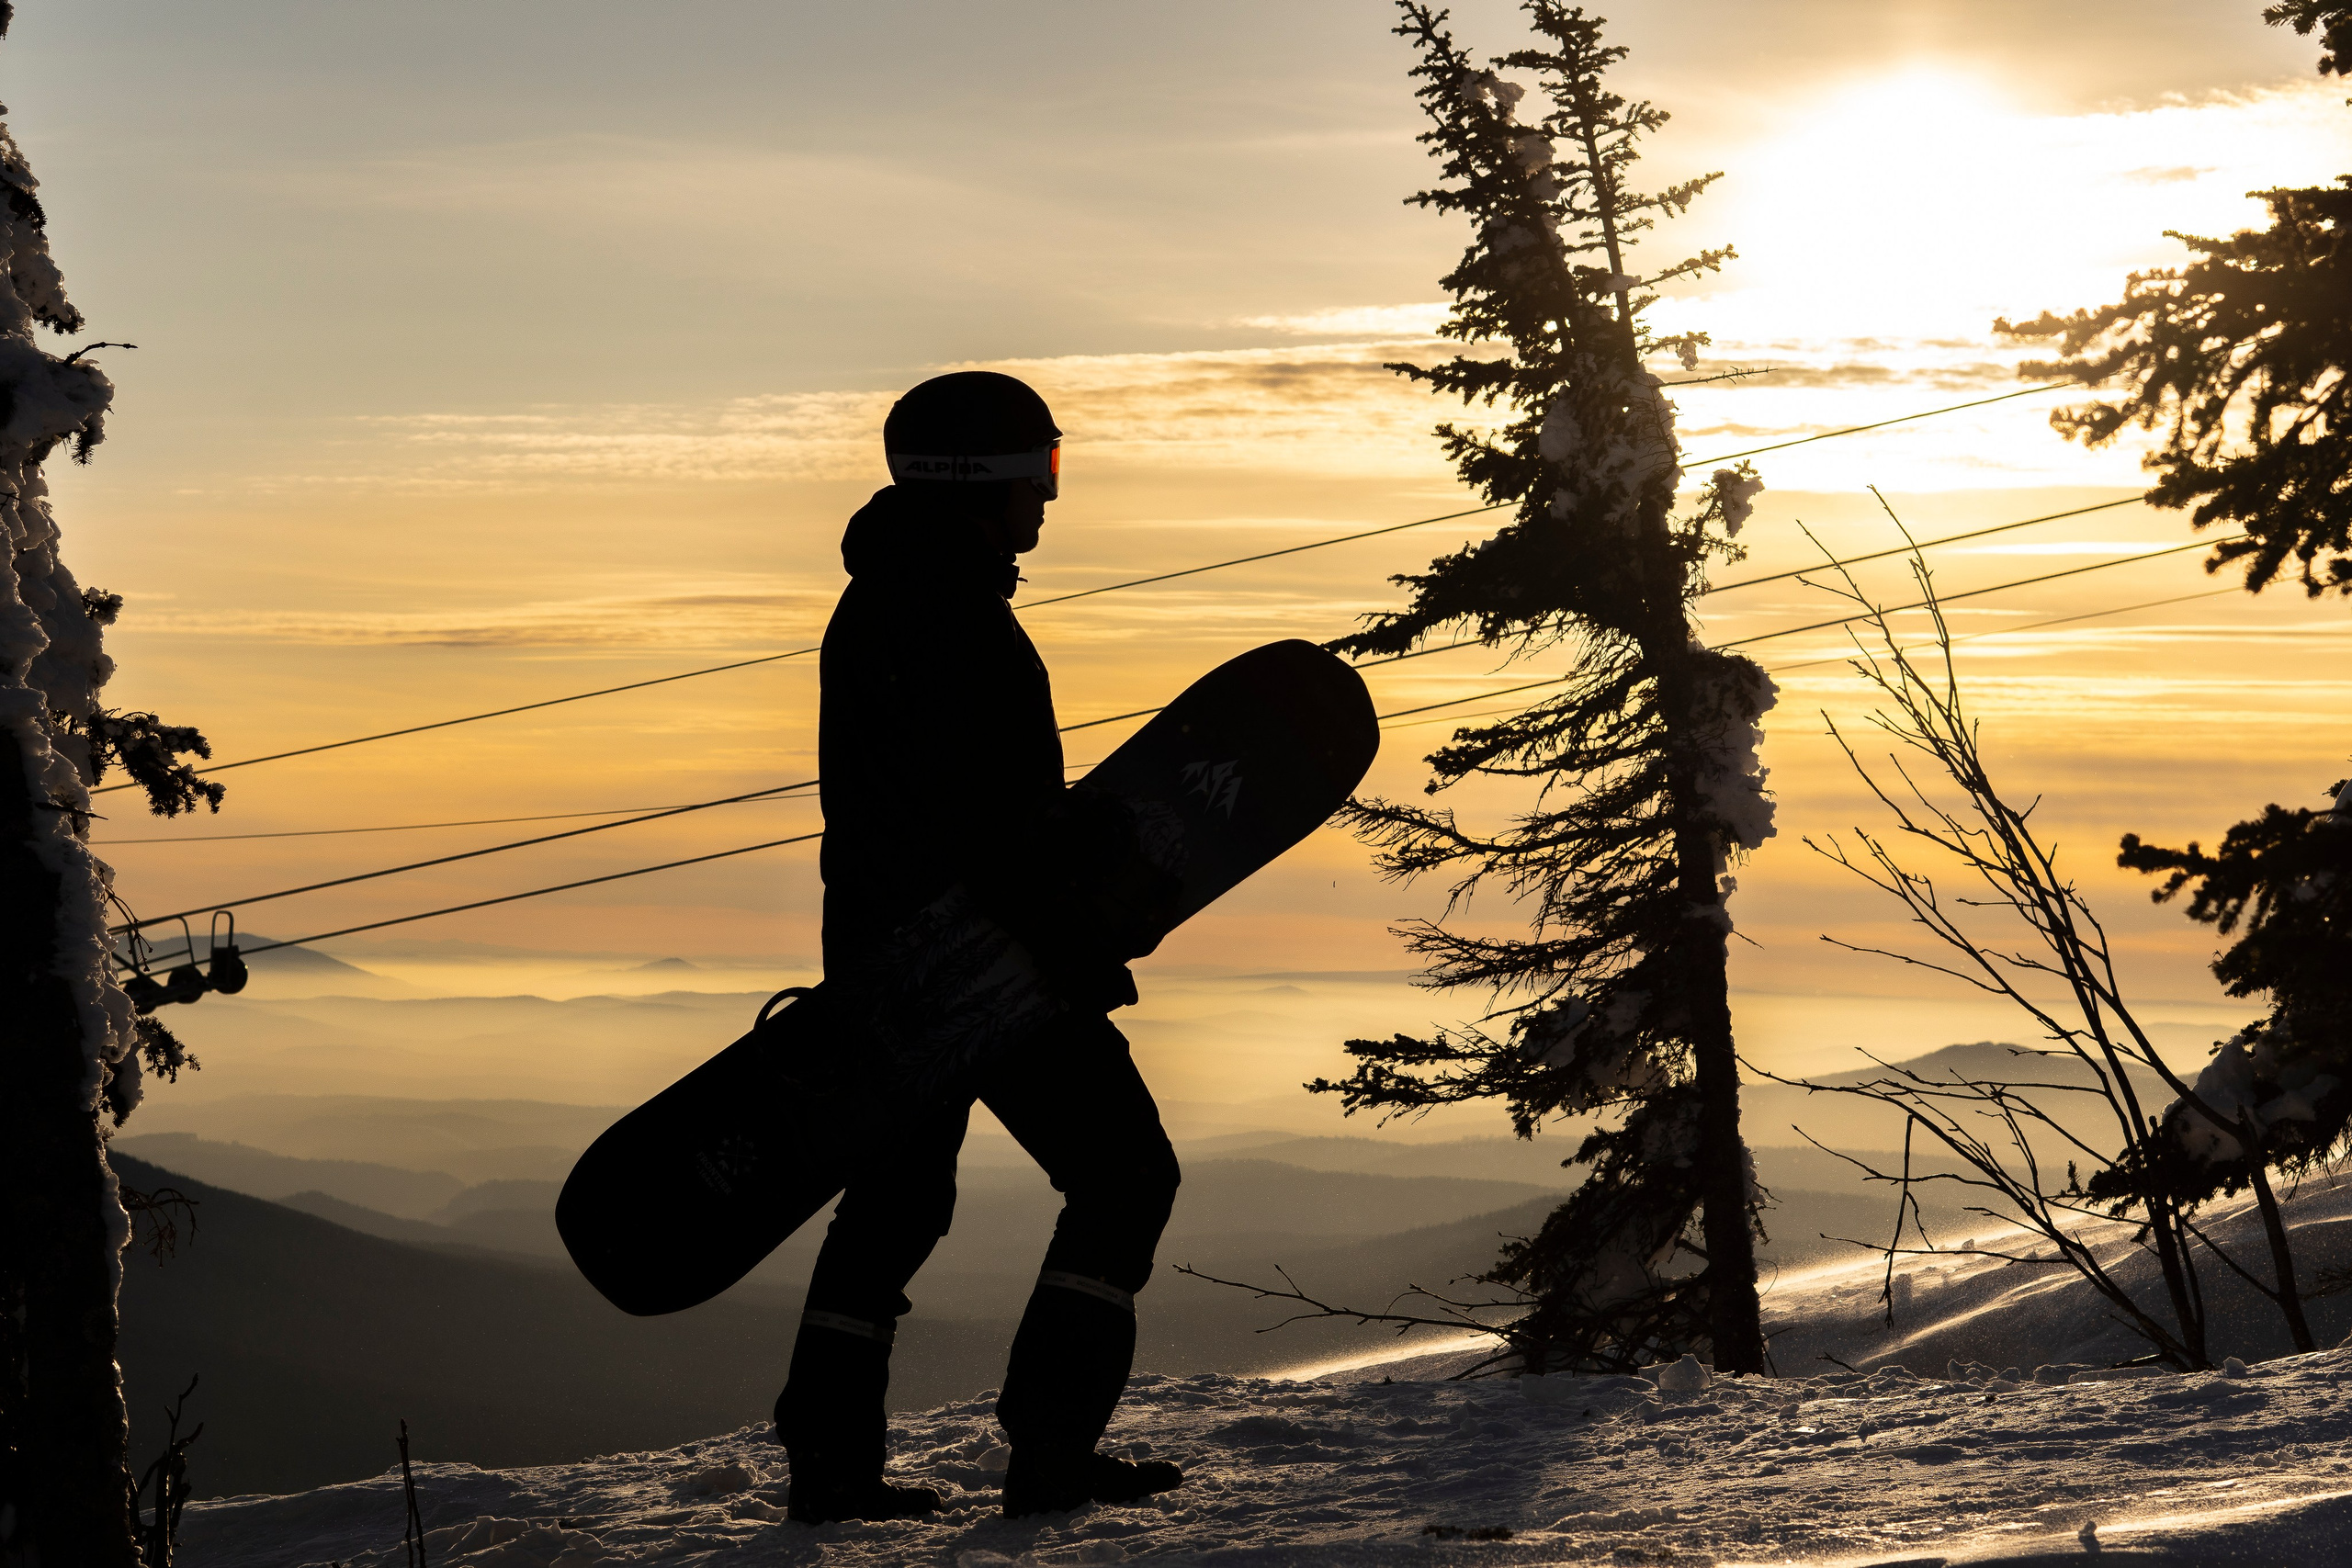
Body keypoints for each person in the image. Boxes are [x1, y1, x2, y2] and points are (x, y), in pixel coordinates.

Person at [773, 370, 1187, 1524]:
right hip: (977, 965)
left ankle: (829, 1463)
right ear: (983, 479)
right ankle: (1049, 1448)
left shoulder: (898, 598)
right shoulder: (948, 616)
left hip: (890, 959)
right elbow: (984, 824)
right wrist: (1075, 928)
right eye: (1040, 473)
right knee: (1123, 1174)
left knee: (896, 1205)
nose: (1049, 501)